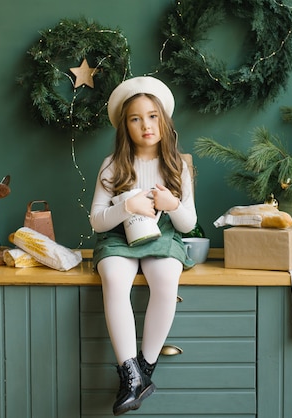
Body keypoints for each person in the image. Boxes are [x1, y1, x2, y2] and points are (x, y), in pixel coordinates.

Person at [89, 76, 197, 416]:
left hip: (163, 234)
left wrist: (172, 204)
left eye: (152, 116)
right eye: (135, 119)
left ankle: (143, 370)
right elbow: (96, 221)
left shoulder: (177, 165)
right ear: (125, 127)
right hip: (119, 236)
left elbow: (188, 224)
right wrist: (126, 207)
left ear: (163, 120)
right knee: (115, 280)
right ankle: (129, 370)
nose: (145, 125)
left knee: (165, 278)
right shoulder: (112, 165)